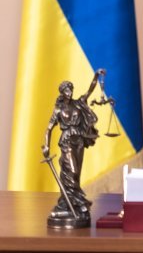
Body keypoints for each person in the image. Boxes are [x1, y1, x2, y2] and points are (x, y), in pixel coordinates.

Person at [42, 69, 102, 218]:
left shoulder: (79, 103)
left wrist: (96, 75)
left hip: (79, 141)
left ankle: (70, 203)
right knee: (72, 171)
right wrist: (46, 145)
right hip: (67, 141)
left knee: (77, 174)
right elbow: (49, 128)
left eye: (71, 89)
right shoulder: (58, 110)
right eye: (67, 90)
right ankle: (80, 202)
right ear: (62, 92)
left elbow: (90, 90)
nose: (69, 92)